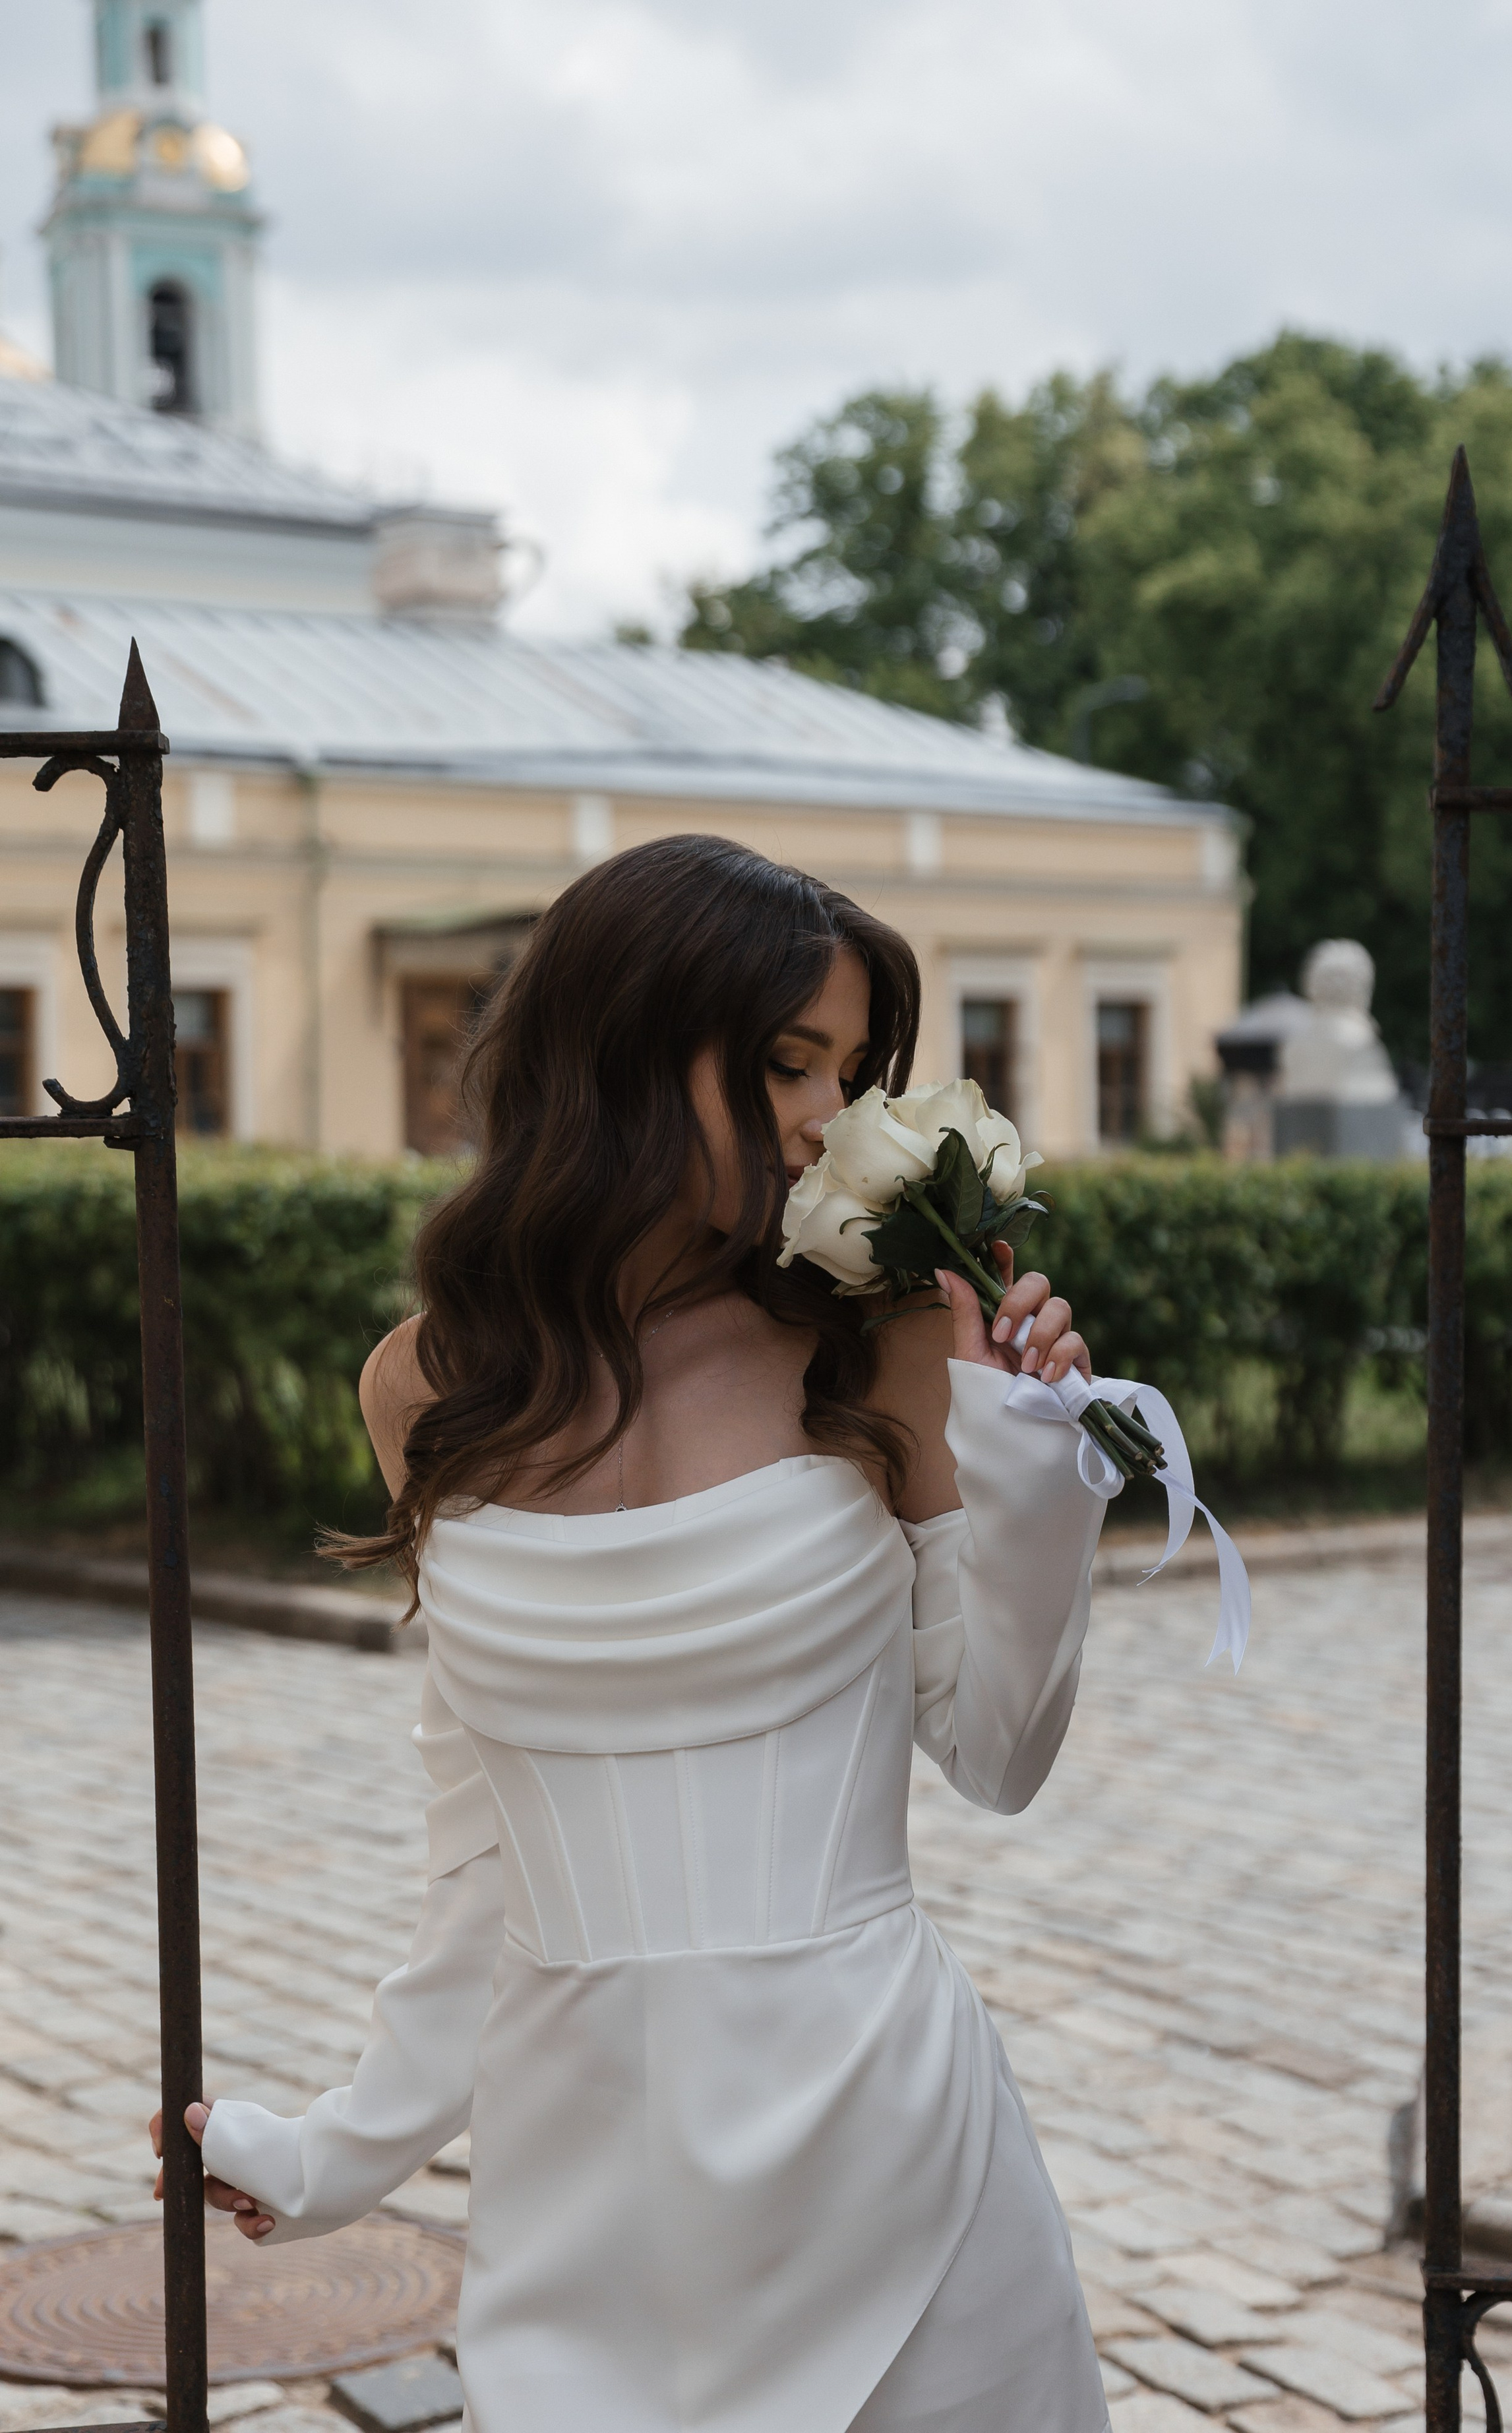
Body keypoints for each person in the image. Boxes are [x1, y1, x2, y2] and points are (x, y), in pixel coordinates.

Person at [151, 836, 1112, 2433]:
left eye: (852, 1065)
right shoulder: (428, 1386)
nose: (831, 1114)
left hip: (886, 2147)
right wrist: (345, 2152)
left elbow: (999, 1757)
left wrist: (1028, 1456)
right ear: (617, 1051)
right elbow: (486, 1847)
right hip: (581, 2192)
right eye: (784, 1060)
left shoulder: (877, 1345)